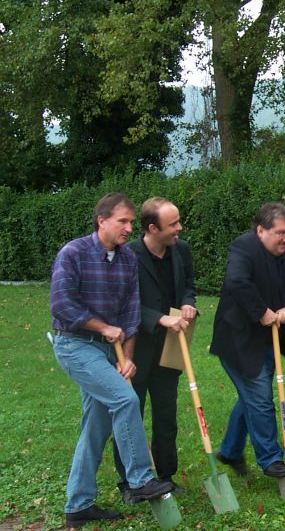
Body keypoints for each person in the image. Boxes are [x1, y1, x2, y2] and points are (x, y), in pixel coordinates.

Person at [50, 193, 175, 528]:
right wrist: (103, 326)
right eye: (122, 221)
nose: (128, 228)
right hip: (75, 346)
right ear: (101, 220)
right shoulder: (73, 253)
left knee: (96, 427)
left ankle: (78, 504)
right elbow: (62, 305)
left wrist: (128, 359)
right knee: (125, 399)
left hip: (112, 350)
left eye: (131, 222)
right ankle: (139, 479)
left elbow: (130, 313)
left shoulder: (126, 259)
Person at [211, 202, 285, 478]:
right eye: (279, 233)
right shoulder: (243, 248)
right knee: (259, 396)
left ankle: (230, 450)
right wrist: (263, 313)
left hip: (273, 336)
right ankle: (270, 458)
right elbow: (237, 282)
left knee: (253, 396)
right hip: (238, 339)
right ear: (260, 231)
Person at [112, 198, 197, 496]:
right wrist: (158, 319)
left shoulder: (181, 250)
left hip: (171, 346)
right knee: (129, 414)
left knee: (166, 414)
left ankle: (166, 475)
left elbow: (189, 284)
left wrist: (188, 302)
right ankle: (129, 482)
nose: (179, 229)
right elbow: (124, 301)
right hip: (135, 347)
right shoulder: (128, 256)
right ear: (152, 228)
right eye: (172, 224)